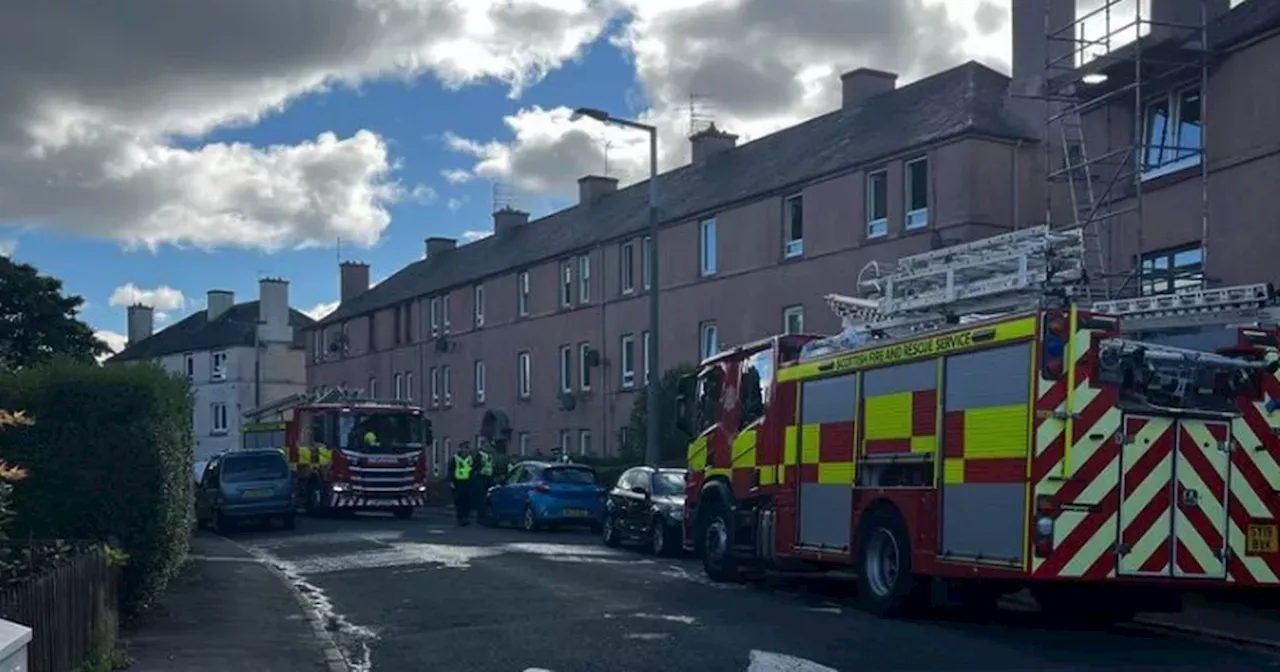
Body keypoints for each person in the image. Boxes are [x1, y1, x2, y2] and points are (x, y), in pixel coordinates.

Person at [447, 442, 475, 525]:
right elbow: (451, 470)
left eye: (467, 448)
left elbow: (473, 469)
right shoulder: (455, 458)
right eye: (464, 448)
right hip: (458, 482)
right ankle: (460, 517)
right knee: (458, 500)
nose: (466, 450)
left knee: (467, 500)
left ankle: (466, 517)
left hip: (468, 482)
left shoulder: (471, 458)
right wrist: (451, 481)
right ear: (460, 449)